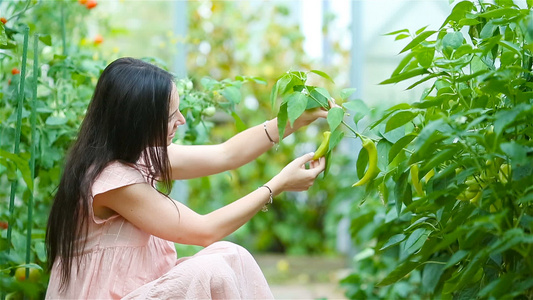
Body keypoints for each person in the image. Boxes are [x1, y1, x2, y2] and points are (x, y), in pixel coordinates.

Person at [45, 57, 329, 299]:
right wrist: (277, 185)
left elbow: (225, 155)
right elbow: (204, 231)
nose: (181, 120)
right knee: (209, 269)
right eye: (171, 115)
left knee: (232, 256)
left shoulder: (134, 155)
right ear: (139, 121)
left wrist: (293, 121)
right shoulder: (111, 180)